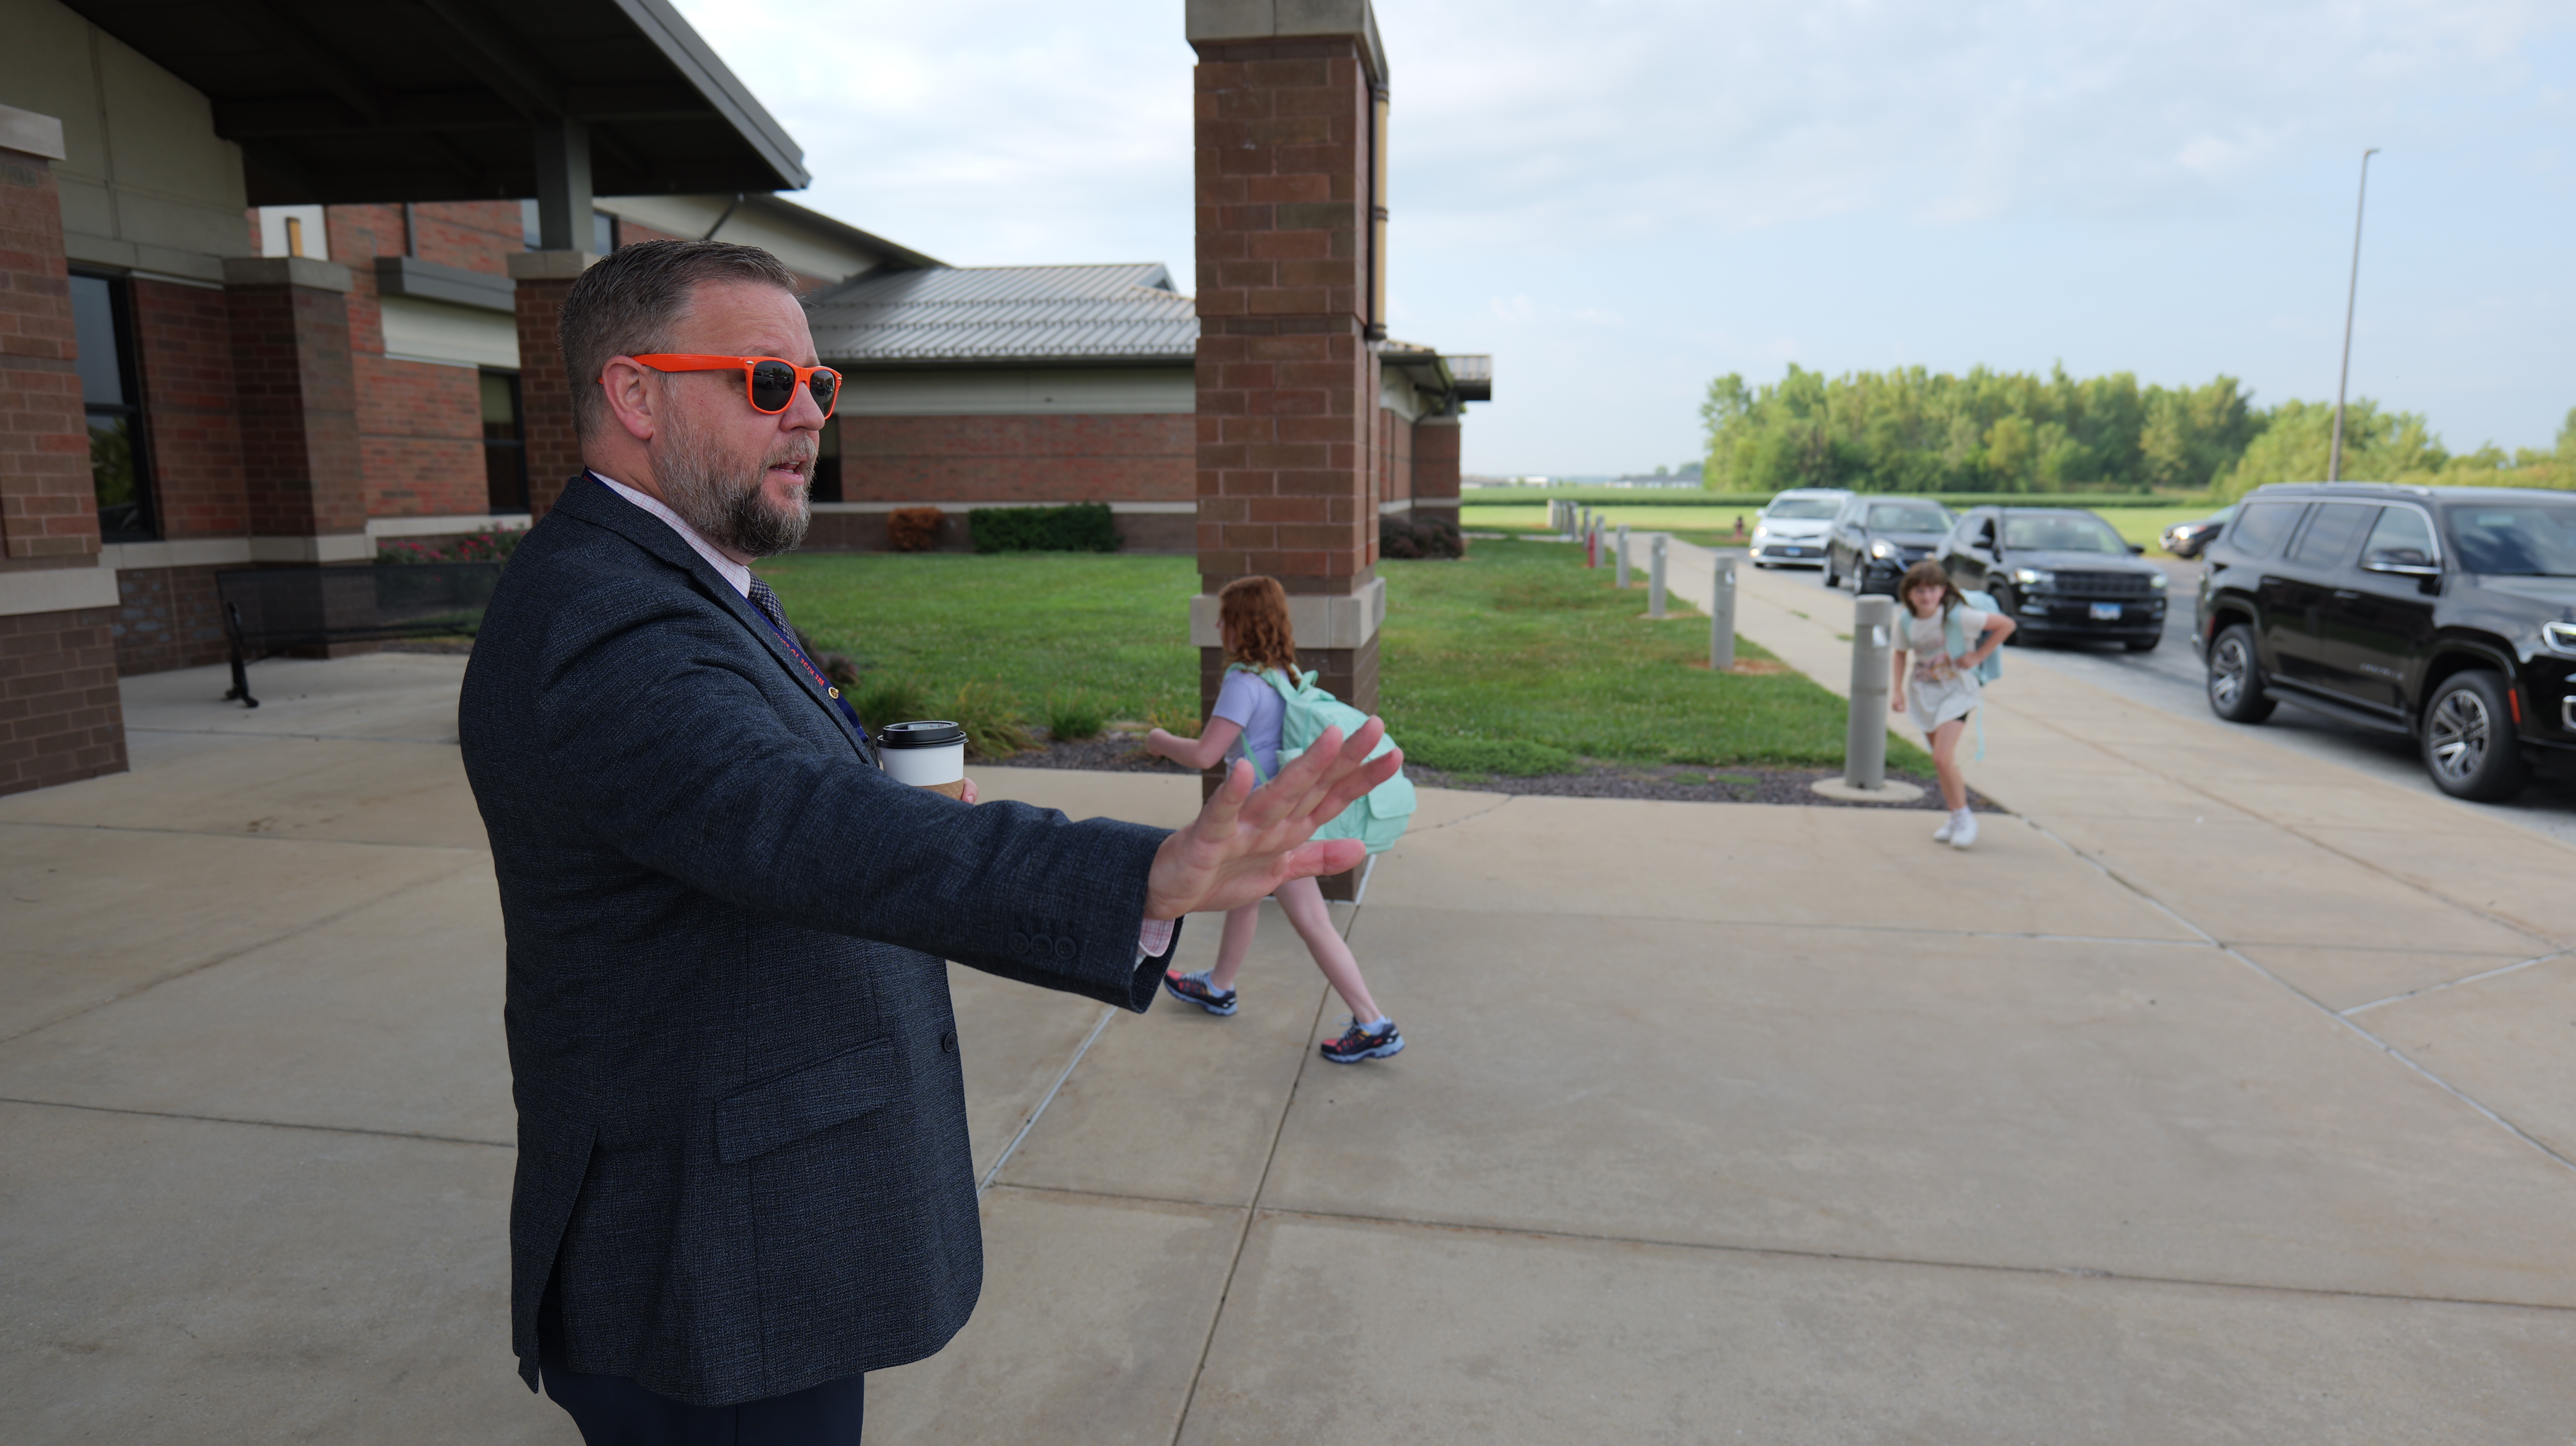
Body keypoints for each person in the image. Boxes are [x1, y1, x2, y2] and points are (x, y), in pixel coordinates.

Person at [457, 239, 1398, 1442]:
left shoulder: (677, 574)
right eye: (764, 383)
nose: (806, 415)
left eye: (819, 387)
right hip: (709, 1272)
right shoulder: (608, 621)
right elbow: (791, 819)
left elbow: (759, 812)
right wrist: (1146, 874)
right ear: (636, 394)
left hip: (740, 1243)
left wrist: (897, 813)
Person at [1141, 577, 1404, 1063]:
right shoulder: (1285, 673)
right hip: (1278, 812)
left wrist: (1158, 738)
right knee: (1245, 897)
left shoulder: (1243, 682)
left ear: (1244, 622)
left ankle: (1373, 1021)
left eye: (1226, 616)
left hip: (1262, 818)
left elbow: (1206, 754)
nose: (1218, 624)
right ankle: (1220, 985)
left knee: (1312, 920)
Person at [1887, 559, 2013, 848]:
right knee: (1943, 762)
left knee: (1942, 758)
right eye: (1920, 592)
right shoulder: (1906, 621)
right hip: (1925, 694)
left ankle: (1965, 817)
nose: (1927, 597)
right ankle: (1956, 816)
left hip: (1958, 693)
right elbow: (1900, 653)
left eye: (1932, 590)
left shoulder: (1959, 617)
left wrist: (1977, 657)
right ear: (1909, 594)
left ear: (1943, 591)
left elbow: (2006, 625)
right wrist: (1898, 691)